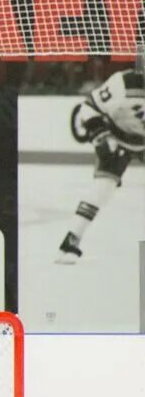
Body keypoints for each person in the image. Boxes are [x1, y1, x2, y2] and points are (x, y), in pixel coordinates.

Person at [55, 69, 145, 263]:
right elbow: (89, 108)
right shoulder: (123, 82)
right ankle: (70, 241)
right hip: (116, 137)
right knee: (102, 190)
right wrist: (100, 136)